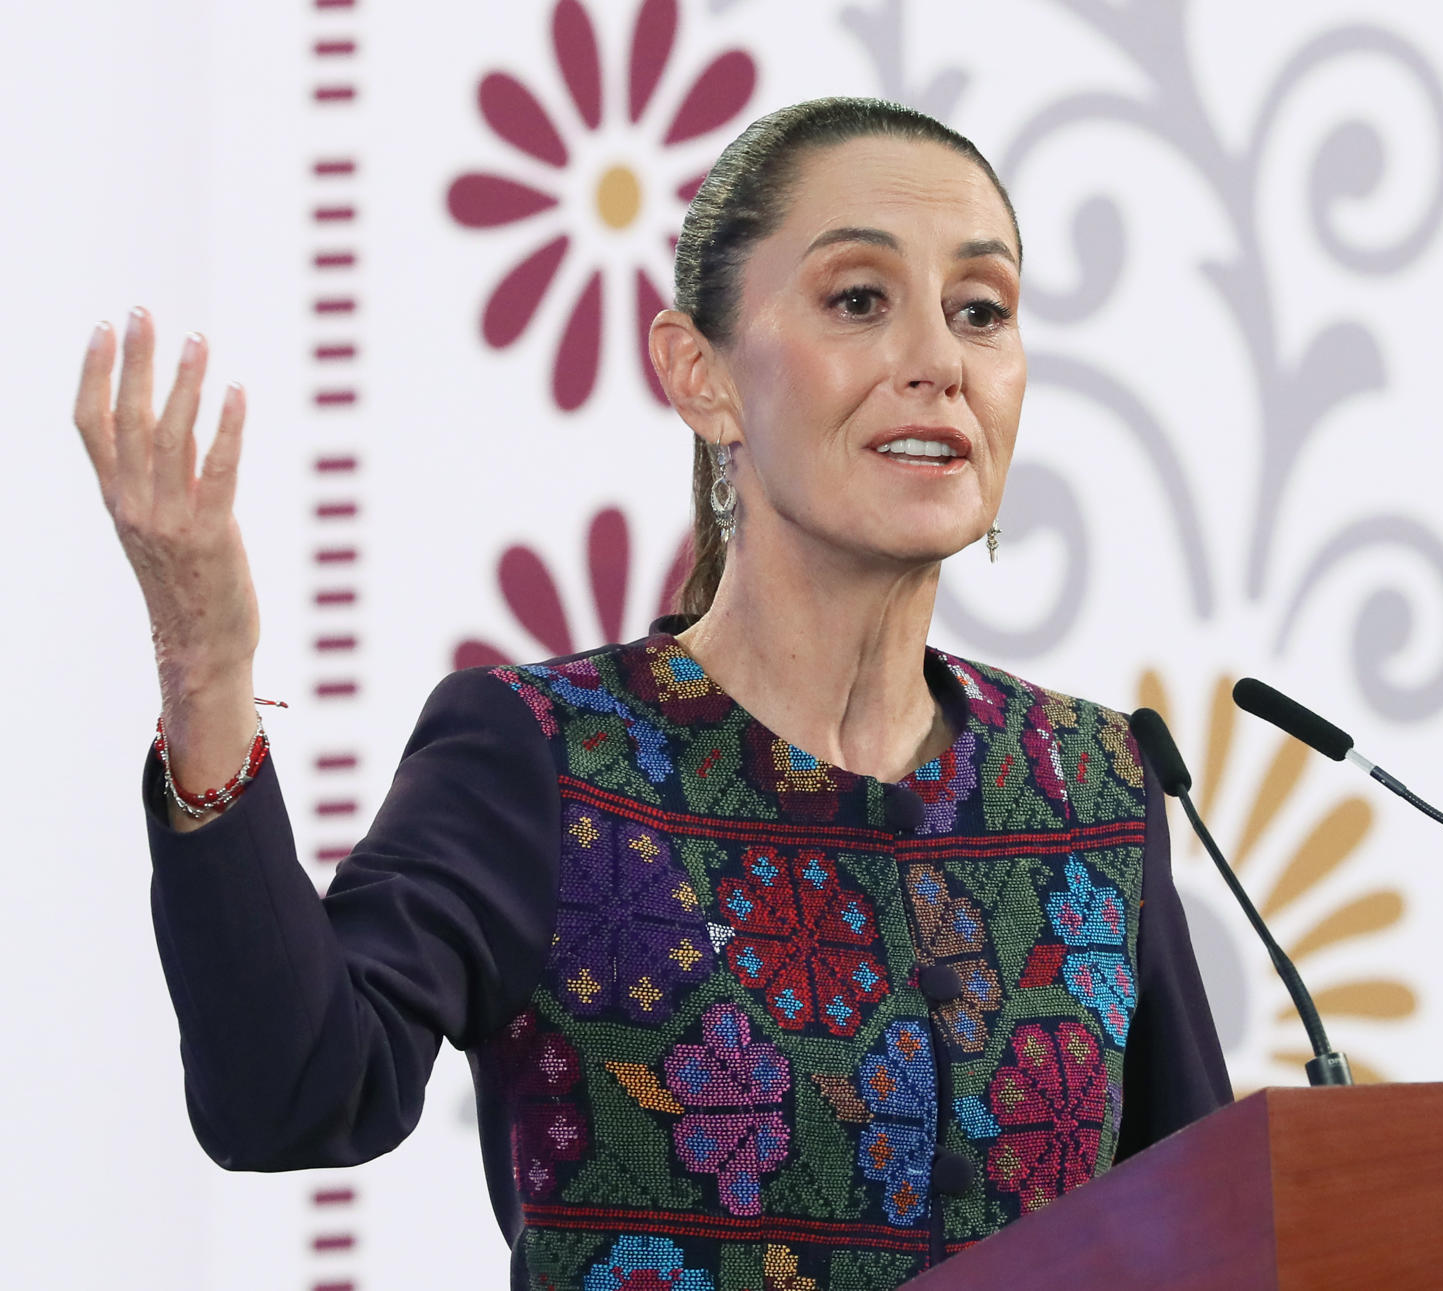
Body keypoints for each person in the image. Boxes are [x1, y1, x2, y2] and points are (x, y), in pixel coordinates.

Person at [75, 96, 1230, 1291]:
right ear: (702, 375)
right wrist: (207, 669)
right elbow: (293, 1096)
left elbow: (1212, 1225)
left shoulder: (1091, 784)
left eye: (979, 313)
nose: (939, 361)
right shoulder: (545, 757)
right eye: (858, 301)